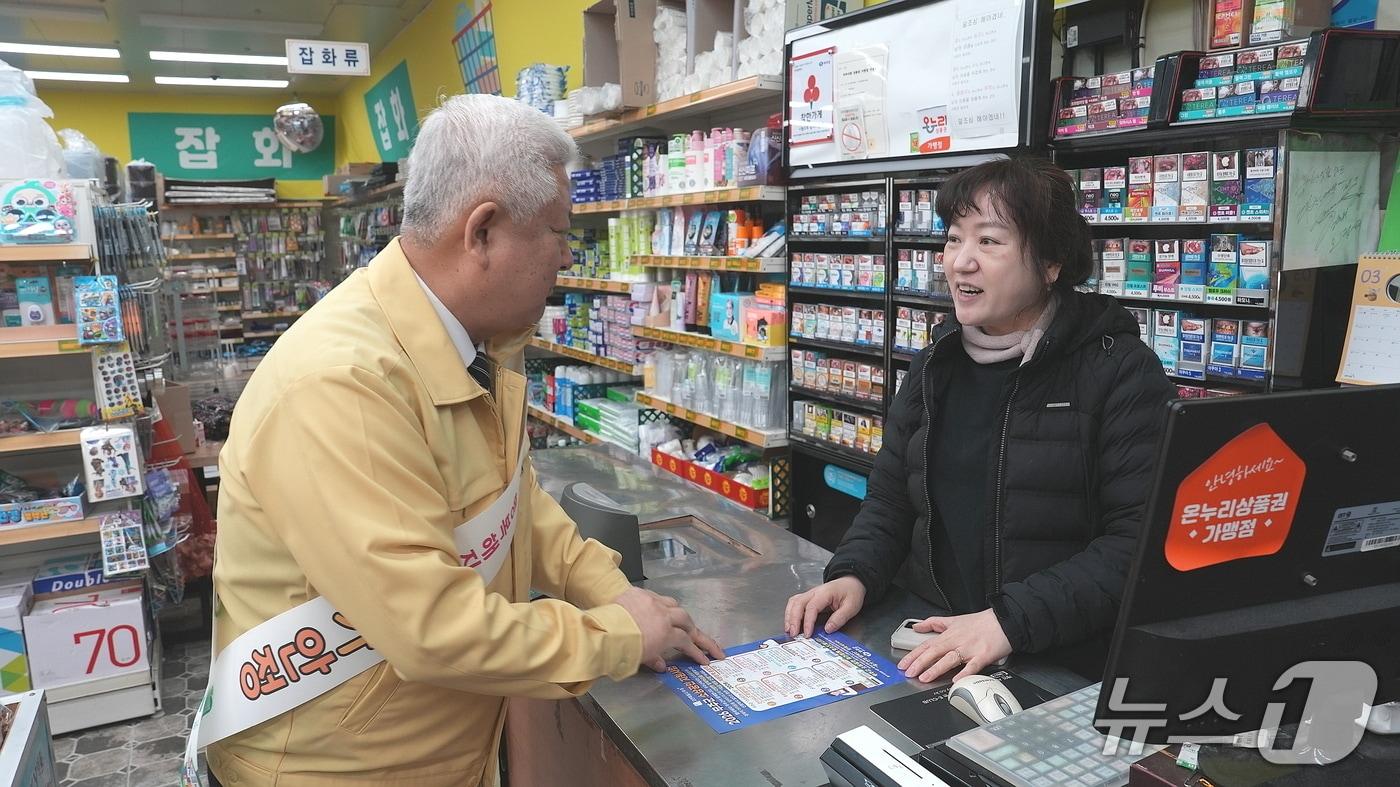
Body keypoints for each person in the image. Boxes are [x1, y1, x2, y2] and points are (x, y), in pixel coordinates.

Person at [205, 94, 722, 786]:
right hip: (331, 769)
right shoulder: (342, 382)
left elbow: (516, 509)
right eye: (559, 234)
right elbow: (432, 627)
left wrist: (615, 592)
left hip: (429, 754)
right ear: (482, 231)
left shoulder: (475, 345)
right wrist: (618, 637)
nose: (566, 259)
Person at [783, 157, 1175, 684]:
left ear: (1052, 262)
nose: (960, 262)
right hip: (936, 654)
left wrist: (1006, 623)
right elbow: (893, 499)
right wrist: (855, 572)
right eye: (953, 239)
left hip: (1059, 669)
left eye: (989, 241)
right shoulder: (934, 365)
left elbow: (1139, 542)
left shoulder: (1119, 370)